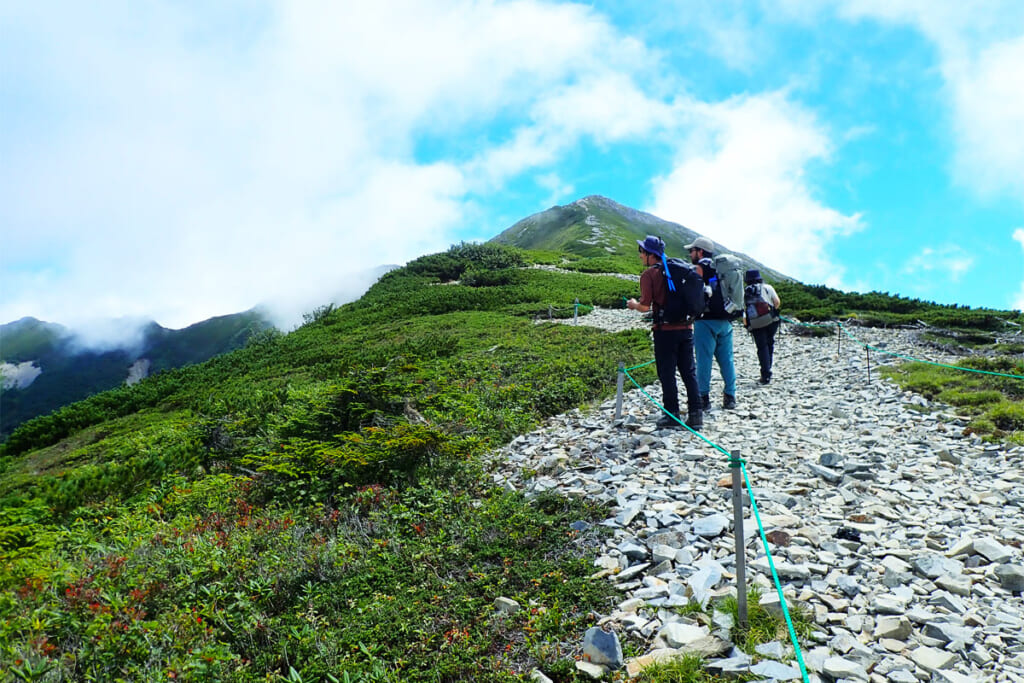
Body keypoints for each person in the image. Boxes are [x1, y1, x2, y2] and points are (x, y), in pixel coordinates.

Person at [626, 236, 703, 430]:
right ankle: (696, 415)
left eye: (642, 252)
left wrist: (633, 305)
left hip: (664, 331)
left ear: (651, 255)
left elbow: (645, 307)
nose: (640, 256)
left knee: (667, 374)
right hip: (686, 328)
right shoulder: (679, 269)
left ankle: (672, 414)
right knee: (689, 372)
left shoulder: (649, 275)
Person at [685, 236, 737, 411]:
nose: (690, 254)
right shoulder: (721, 268)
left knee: (704, 360)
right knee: (727, 360)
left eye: (691, 250)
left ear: (700, 251)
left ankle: (703, 398)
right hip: (726, 320)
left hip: (705, 321)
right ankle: (730, 396)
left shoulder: (701, 266)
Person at [743, 269, 781, 384]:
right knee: (770, 343)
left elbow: (743, 310)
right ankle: (768, 368)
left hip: (755, 323)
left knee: (762, 347)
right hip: (770, 320)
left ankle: (765, 374)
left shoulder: (745, 291)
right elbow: (777, 302)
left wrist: (747, 325)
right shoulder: (767, 287)